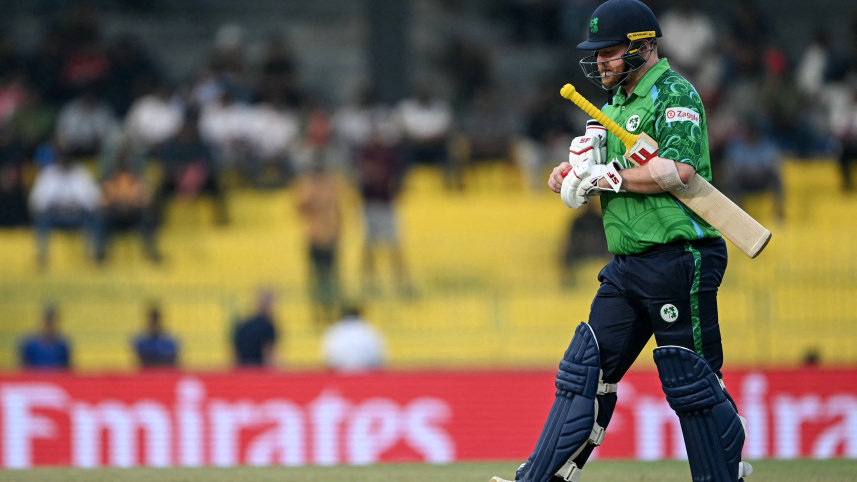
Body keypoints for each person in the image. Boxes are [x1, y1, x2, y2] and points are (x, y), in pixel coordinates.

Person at [492, 2, 752, 482]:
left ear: (644, 45)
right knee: (583, 371)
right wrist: (571, 176)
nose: (601, 62)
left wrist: (610, 179)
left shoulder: (675, 94)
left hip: (680, 256)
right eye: (598, 54)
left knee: (688, 378)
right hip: (627, 262)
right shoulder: (613, 107)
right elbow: (604, 172)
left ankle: (722, 468)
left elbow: (678, 170)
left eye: (610, 53)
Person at [321, 305, 387, 372]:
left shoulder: (334, 331)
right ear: (360, 315)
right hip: (367, 375)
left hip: (340, 375)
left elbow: (327, 360)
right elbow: (380, 360)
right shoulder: (370, 330)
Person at [232, 290, 278, 367]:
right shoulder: (268, 326)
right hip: (258, 371)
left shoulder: (243, 324)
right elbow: (267, 354)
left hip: (242, 370)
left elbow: (235, 355)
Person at [19, 303, 71, 369]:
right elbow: (24, 369)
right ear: (41, 321)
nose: (49, 326)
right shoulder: (29, 345)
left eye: (51, 322)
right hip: (35, 378)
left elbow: (66, 370)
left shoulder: (62, 345)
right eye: (47, 322)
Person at [132, 303, 179, 368]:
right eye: (153, 319)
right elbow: (140, 360)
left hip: (165, 372)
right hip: (147, 373)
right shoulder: (141, 341)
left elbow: (174, 360)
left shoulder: (170, 341)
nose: (155, 322)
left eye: (156, 319)